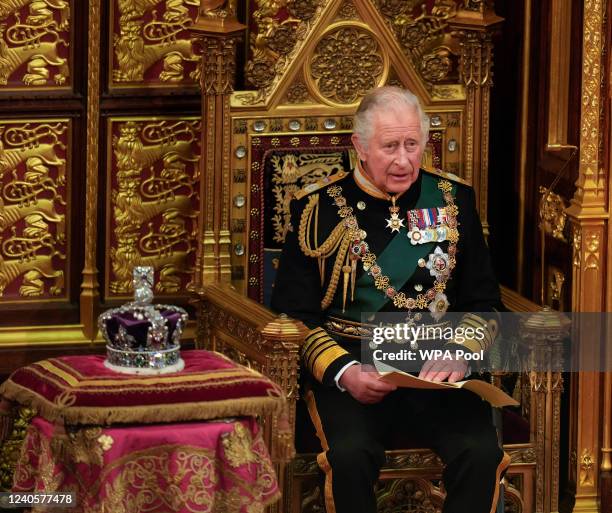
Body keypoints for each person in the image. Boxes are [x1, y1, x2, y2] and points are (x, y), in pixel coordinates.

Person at [271, 86, 509, 513]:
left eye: (412, 144)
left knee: (480, 452)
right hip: (355, 370)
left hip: (437, 371)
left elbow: (485, 302)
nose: (403, 160)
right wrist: (345, 372)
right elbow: (294, 316)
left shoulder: (455, 202)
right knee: (350, 456)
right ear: (360, 147)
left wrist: (462, 352)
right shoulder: (317, 211)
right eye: (390, 146)